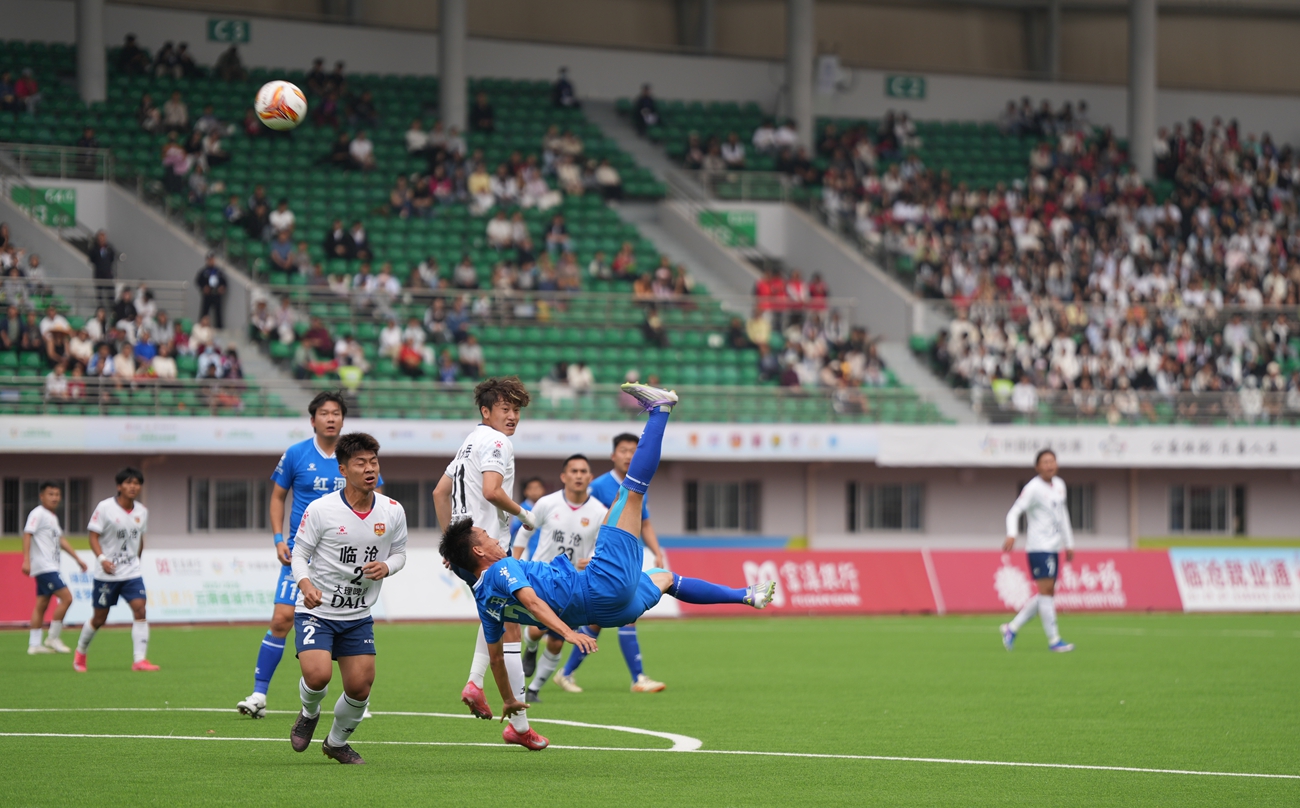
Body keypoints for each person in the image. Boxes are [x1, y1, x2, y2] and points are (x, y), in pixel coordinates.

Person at [440, 383, 776, 746]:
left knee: (664, 578)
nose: (492, 536)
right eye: (484, 536)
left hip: (612, 611)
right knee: (632, 490)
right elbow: (533, 602)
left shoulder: (484, 601)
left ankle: (746, 595)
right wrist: (569, 633)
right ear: (480, 553)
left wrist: (507, 700)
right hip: (599, 587)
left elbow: (496, 658)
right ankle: (660, 411)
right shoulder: (502, 567)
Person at [236, 391, 381, 719]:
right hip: (302, 554)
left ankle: (357, 696)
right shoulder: (296, 454)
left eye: (336, 413)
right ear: (313, 419)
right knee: (281, 619)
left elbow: (377, 500)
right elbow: (277, 497)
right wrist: (278, 539)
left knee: (348, 621)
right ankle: (259, 694)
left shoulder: (357, 457)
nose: (331, 419)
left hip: (344, 559)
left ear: (343, 419)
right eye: (324, 413)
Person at [432, 377, 541, 747]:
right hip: (488, 551)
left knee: (493, 616)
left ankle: (475, 682)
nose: (512, 416)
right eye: (505, 409)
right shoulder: (497, 441)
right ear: (486, 411)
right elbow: (492, 492)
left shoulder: (469, 442)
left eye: (517, 410)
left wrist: (451, 544)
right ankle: (520, 727)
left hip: (467, 552)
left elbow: (440, 492)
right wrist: (525, 514)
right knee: (511, 631)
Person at [288, 432, 407, 765]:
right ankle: (309, 712)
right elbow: (299, 555)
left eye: (374, 462)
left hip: (357, 615)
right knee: (317, 676)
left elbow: (400, 554)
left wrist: (387, 566)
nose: (369, 469)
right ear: (343, 469)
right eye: (360, 463)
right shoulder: (321, 509)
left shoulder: (393, 510)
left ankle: (336, 743)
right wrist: (305, 585)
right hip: (317, 611)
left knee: (360, 687)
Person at [553, 431, 669, 694]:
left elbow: (645, 522)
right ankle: (638, 677)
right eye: (624, 451)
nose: (629, 456)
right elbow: (584, 522)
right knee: (626, 613)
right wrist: (590, 555)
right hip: (606, 561)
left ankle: (566, 673)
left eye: (634, 451)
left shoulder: (639, 485)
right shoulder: (599, 486)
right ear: (613, 455)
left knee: (599, 620)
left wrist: (657, 551)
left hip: (626, 558)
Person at [514, 455, 606, 701]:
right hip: (541, 577)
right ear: (564, 476)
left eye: (583, 471)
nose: (578, 475)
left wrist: (593, 560)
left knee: (557, 642)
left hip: (572, 584)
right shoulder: (546, 503)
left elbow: (602, 546)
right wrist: (513, 563)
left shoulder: (600, 512)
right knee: (536, 630)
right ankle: (531, 649)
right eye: (573, 471)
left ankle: (534, 690)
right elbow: (524, 534)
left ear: (590, 477)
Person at [75, 467, 159, 672]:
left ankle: (139, 660)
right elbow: (93, 536)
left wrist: (137, 561)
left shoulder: (142, 511)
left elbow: (140, 539)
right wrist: (102, 559)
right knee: (99, 618)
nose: (133, 487)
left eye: (137, 483)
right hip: (107, 574)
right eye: (128, 483)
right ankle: (80, 653)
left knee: (140, 609)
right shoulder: (105, 508)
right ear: (119, 486)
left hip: (131, 573)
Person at [1000, 449, 1075, 653]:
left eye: (1052, 461)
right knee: (1047, 593)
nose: (1050, 465)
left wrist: (1069, 543)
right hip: (1038, 547)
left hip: (1054, 547)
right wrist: (1012, 533)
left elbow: (1063, 515)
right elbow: (1014, 511)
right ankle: (1054, 640)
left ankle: (1012, 627)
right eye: (1045, 462)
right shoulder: (1033, 488)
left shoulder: (1059, 485)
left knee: (1046, 593)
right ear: (1037, 467)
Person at [23, 481, 89, 655]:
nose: (55, 498)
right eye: (50, 494)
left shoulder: (52, 517)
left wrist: (77, 559)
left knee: (41, 604)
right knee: (67, 598)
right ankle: (53, 637)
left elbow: (61, 540)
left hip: (50, 566)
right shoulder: (37, 513)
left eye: (57, 494)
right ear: (42, 496)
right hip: (44, 566)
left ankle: (34, 644)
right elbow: (27, 534)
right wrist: (26, 560)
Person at [508, 477, 547, 559]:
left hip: (545, 551)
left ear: (543, 490)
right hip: (529, 552)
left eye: (537, 488)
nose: (534, 491)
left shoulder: (546, 508)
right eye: (531, 488)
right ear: (525, 491)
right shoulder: (521, 509)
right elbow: (513, 529)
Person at [196, 254, 227, 329]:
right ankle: (201, 327)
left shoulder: (218, 271)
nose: (211, 261)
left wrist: (222, 288)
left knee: (218, 313)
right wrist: (203, 288)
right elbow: (198, 281)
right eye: (209, 260)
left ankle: (219, 328)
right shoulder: (204, 272)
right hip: (208, 295)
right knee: (204, 312)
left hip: (216, 294)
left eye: (212, 260)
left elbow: (224, 282)